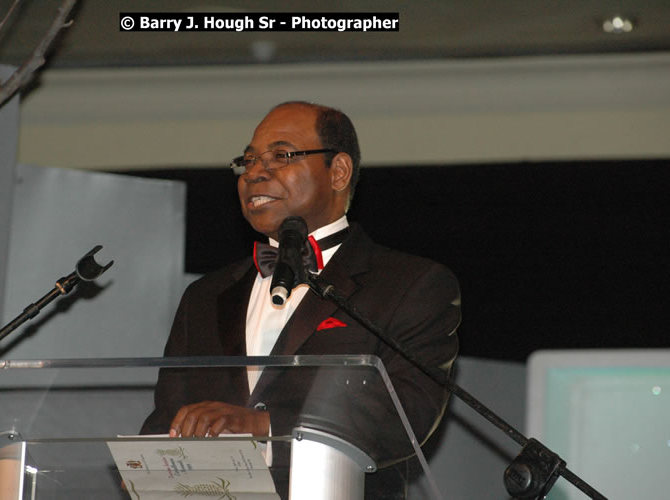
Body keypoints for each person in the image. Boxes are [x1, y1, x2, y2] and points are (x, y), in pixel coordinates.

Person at [141, 101, 461, 499]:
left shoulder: (410, 284)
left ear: (338, 171)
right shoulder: (205, 297)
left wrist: (265, 426)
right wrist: (150, 466)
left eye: (281, 155)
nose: (255, 172)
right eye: (249, 159)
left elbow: (405, 415)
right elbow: (165, 420)